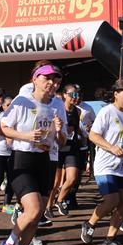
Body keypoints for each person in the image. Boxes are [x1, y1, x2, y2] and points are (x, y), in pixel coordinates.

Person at [0, 63, 66, 245]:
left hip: (44, 161)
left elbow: (62, 142)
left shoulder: (58, 105)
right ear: (35, 79)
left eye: (56, 81)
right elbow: (3, 128)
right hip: (21, 159)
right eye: (47, 79)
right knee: (33, 209)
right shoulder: (22, 101)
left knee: (37, 216)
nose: (52, 84)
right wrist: (26, 136)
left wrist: (60, 131)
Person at [81, 80, 123, 245]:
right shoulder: (107, 112)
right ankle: (89, 224)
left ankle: (110, 239)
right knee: (112, 200)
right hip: (106, 165)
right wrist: (111, 147)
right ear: (116, 94)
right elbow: (93, 136)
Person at [49, 83, 85, 216]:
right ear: (64, 95)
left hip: (72, 148)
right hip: (58, 148)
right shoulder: (57, 110)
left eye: (78, 95)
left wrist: (82, 133)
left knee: (72, 178)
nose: (75, 97)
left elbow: (76, 129)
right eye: (72, 95)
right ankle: (48, 206)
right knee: (55, 182)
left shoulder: (78, 111)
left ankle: (59, 200)